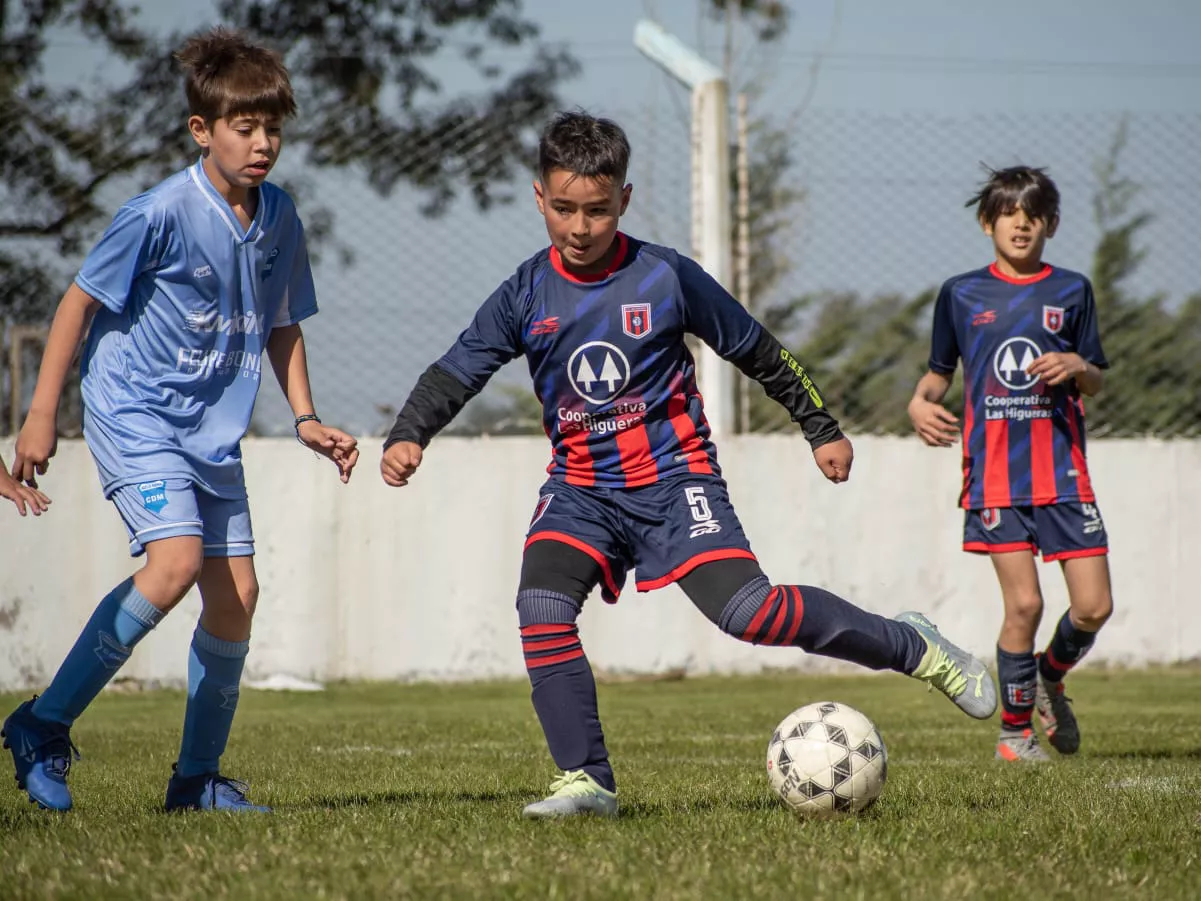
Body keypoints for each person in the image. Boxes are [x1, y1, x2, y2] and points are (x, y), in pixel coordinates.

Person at [380, 110, 998, 819]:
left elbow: (757, 349)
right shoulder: (525, 292)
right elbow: (460, 366)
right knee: (541, 606)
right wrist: (409, 432)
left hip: (677, 483)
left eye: (598, 210)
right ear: (538, 197)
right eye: (564, 210)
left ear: (625, 200)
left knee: (750, 611)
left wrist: (818, 425)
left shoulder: (664, 275)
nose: (580, 228)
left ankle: (910, 643)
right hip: (581, 490)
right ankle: (587, 780)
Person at [1, 27, 359, 813]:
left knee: (237, 596)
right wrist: (39, 415)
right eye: (245, 127)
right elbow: (77, 303)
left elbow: (283, 322)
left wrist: (305, 416)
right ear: (202, 130)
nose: (263, 143)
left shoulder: (280, 218)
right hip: (135, 413)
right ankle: (41, 723)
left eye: (273, 128)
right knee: (174, 563)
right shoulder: (159, 211)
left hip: (209, 431)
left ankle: (195, 779)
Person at [908, 165, 1112, 763]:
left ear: (1050, 223)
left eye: (1033, 215)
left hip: (1062, 471)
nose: (1021, 224)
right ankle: (1015, 736)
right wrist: (919, 404)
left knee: (1094, 606)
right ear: (987, 221)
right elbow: (938, 375)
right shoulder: (962, 293)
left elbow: (1095, 379)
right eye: (1009, 213)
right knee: (1024, 604)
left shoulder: (1071, 290)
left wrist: (1078, 367)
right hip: (994, 473)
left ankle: (1051, 677)